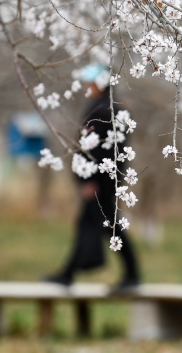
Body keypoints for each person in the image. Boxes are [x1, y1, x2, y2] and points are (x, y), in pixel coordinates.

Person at [45, 63, 140, 289]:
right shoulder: (114, 109)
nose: (87, 87)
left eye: (90, 83)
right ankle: (69, 274)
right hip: (106, 181)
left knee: (107, 226)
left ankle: (131, 276)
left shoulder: (103, 111)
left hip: (100, 182)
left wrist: (89, 180)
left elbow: (97, 151)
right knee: (95, 224)